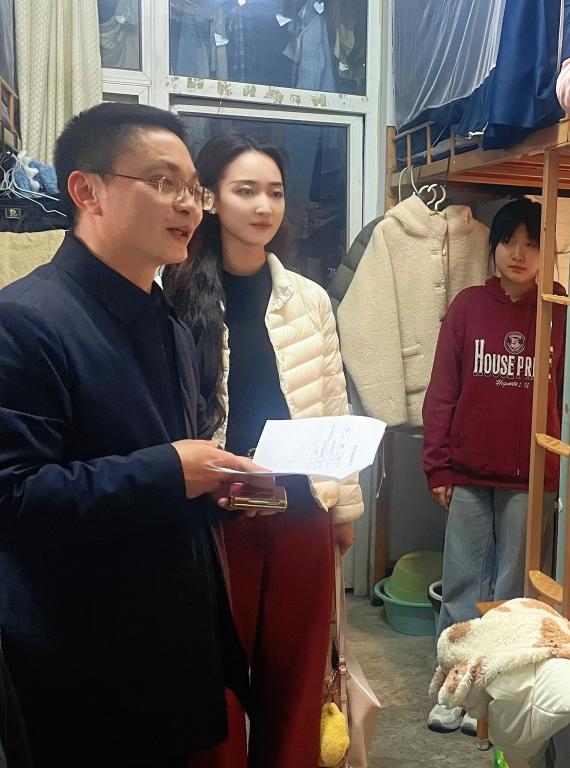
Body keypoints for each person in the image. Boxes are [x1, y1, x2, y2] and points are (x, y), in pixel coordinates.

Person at [0, 103, 267, 767]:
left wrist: (221, 488)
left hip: (171, 644)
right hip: (82, 666)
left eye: (194, 188)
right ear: (86, 190)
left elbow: (166, 470)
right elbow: (14, 500)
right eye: (163, 182)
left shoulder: (166, 320)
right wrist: (174, 472)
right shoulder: (25, 321)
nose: (189, 205)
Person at [163, 134, 363, 768]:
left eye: (274, 192)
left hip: (300, 508)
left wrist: (343, 509)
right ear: (211, 199)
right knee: (217, 682)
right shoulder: (172, 293)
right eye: (245, 190)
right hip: (216, 516)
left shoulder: (307, 297)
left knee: (298, 679)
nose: (263, 206)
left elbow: (332, 403)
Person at [421, 198, 566, 735]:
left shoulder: (559, 311)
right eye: (509, 242)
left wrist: (560, 474)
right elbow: (442, 391)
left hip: (532, 478)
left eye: (532, 244)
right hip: (468, 472)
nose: (519, 254)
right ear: (494, 247)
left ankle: (492, 700)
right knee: (461, 586)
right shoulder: (468, 308)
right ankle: (453, 689)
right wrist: (438, 466)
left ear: (546, 253)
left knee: (513, 594)